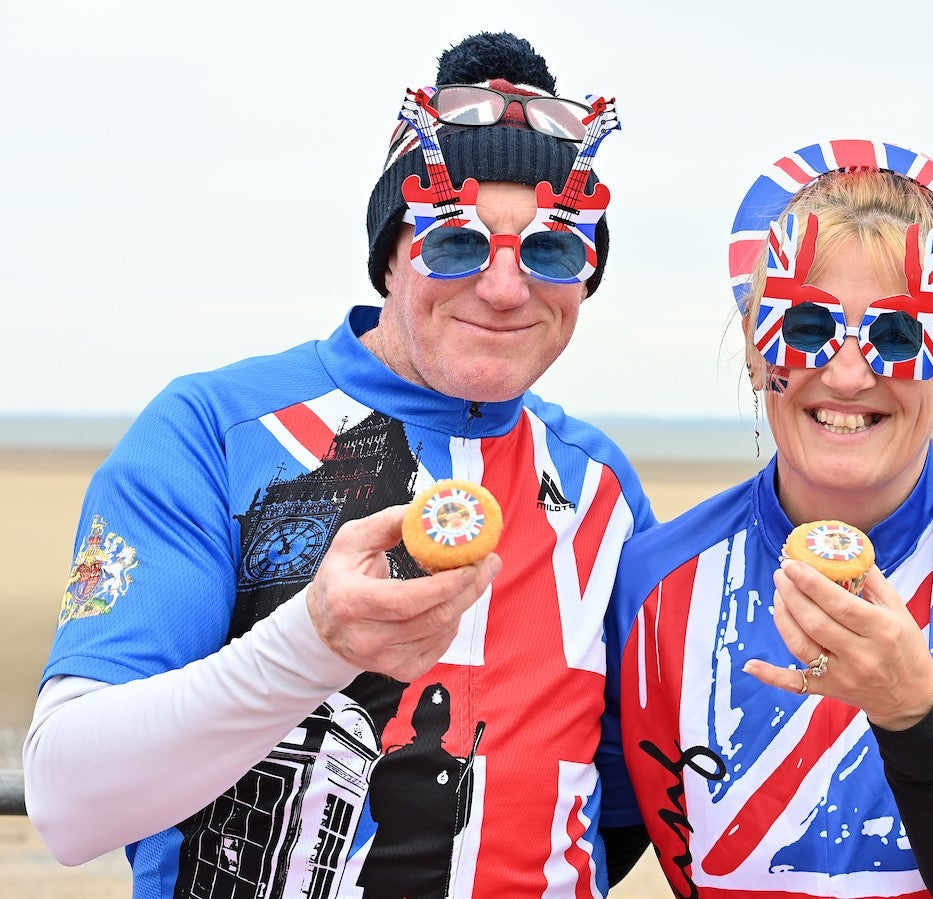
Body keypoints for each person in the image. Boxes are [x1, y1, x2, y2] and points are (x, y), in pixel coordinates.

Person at [25, 31, 654, 898]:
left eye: (548, 249)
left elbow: (620, 807)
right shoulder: (214, 430)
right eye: (457, 243)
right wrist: (308, 645)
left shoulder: (604, 490)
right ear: (393, 252)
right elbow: (65, 801)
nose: (506, 289)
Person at [599, 140, 933, 897]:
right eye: (807, 327)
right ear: (757, 349)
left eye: (896, 336)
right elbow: (567, 840)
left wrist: (914, 711)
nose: (848, 373)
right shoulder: (651, 584)